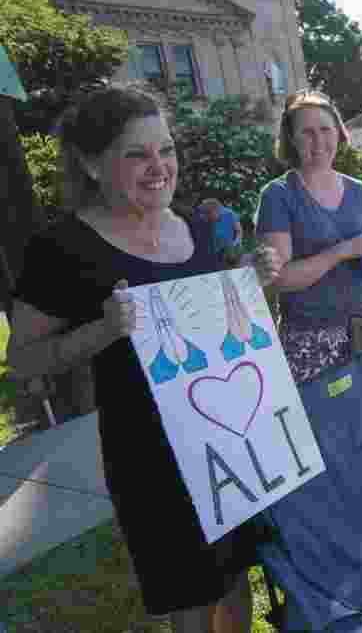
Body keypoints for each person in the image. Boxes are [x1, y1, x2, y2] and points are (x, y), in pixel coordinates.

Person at [7, 88, 282, 632]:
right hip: (152, 463)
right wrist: (104, 329)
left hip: (230, 442)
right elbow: (23, 360)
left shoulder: (194, 230)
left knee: (235, 582)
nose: (159, 167)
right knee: (190, 599)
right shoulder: (62, 248)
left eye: (166, 150)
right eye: (136, 154)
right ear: (90, 163)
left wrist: (251, 283)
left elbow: (216, 330)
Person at [256, 89, 362, 388]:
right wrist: (342, 250)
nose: (319, 141)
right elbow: (279, 278)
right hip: (310, 338)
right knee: (324, 431)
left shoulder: (361, 192)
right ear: (291, 140)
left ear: (338, 132)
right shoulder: (278, 196)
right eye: (307, 133)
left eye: (325, 129)